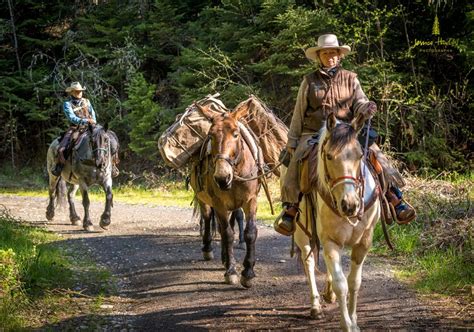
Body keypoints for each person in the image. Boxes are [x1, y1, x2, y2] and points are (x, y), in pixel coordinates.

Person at [275, 34, 416, 235]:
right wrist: (293, 140)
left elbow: (359, 100)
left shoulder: (351, 78)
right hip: (313, 132)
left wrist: (365, 107)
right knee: (297, 161)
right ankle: (291, 208)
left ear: (339, 55)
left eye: (333, 52)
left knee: (376, 156)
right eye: (325, 53)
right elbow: (299, 112)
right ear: (319, 56)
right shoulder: (309, 81)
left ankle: (395, 199)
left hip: (346, 131)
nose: (330, 56)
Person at [51, 82, 119, 177]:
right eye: (77, 91)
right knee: (62, 148)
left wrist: (93, 122)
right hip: (75, 128)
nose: (79, 93)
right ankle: (59, 167)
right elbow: (72, 118)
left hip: (92, 126)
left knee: (109, 137)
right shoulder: (67, 104)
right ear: (72, 92)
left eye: (80, 91)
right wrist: (86, 121)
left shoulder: (87, 101)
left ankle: (112, 165)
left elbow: (93, 114)